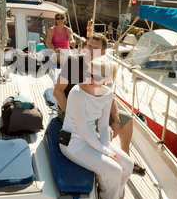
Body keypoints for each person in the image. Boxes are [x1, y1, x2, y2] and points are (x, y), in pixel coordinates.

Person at [53, 33, 145, 174]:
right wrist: (71, 114)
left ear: (103, 52)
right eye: (88, 46)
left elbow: (109, 96)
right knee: (102, 130)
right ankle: (104, 164)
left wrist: (116, 119)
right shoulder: (73, 63)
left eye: (94, 48)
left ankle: (125, 159)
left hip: (93, 109)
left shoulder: (104, 67)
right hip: (71, 108)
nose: (89, 50)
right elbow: (58, 92)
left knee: (127, 121)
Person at [59, 55, 134, 199]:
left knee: (128, 164)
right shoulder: (77, 92)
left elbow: (103, 124)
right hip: (73, 142)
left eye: (96, 76)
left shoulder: (107, 94)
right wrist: (105, 151)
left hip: (93, 138)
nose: (90, 78)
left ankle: (115, 191)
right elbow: (81, 128)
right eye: (89, 73)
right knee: (115, 170)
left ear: (107, 79)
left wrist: (105, 146)